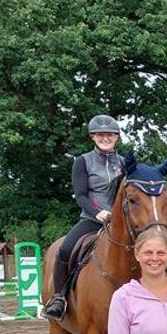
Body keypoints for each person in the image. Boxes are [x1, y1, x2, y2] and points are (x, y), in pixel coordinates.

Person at [44, 114, 124, 321]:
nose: (105, 138)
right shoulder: (83, 161)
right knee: (64, 250)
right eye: (100, 135)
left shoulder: (124, 163)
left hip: (121, 223)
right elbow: (81, 195)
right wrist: (99, 212)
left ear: (116, 137)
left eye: (109, 135)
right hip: (92, 218)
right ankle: (59, 297)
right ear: (93, 137)